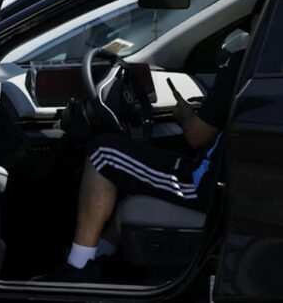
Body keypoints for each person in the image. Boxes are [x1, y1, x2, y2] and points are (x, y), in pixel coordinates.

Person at [43, 27, 249, 282]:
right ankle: (96, 266)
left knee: (102, 152)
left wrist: (183, 115)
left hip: (203, 185)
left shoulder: (244, 62)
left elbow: (197, 137)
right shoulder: (263, 66)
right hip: (226, 184)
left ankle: (76, 269)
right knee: (124, 206)